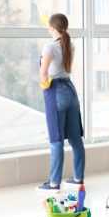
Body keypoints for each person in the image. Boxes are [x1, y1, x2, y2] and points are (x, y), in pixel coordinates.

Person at [36, 13, 86, 193]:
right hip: (71, 92)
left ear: (52, 27)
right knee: (75, 139)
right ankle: (78, 178)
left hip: (55, 92)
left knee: (56, 140)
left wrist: (44, 86)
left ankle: (54, 183)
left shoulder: (49, 47)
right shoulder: (70, 45)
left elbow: (43, 74)